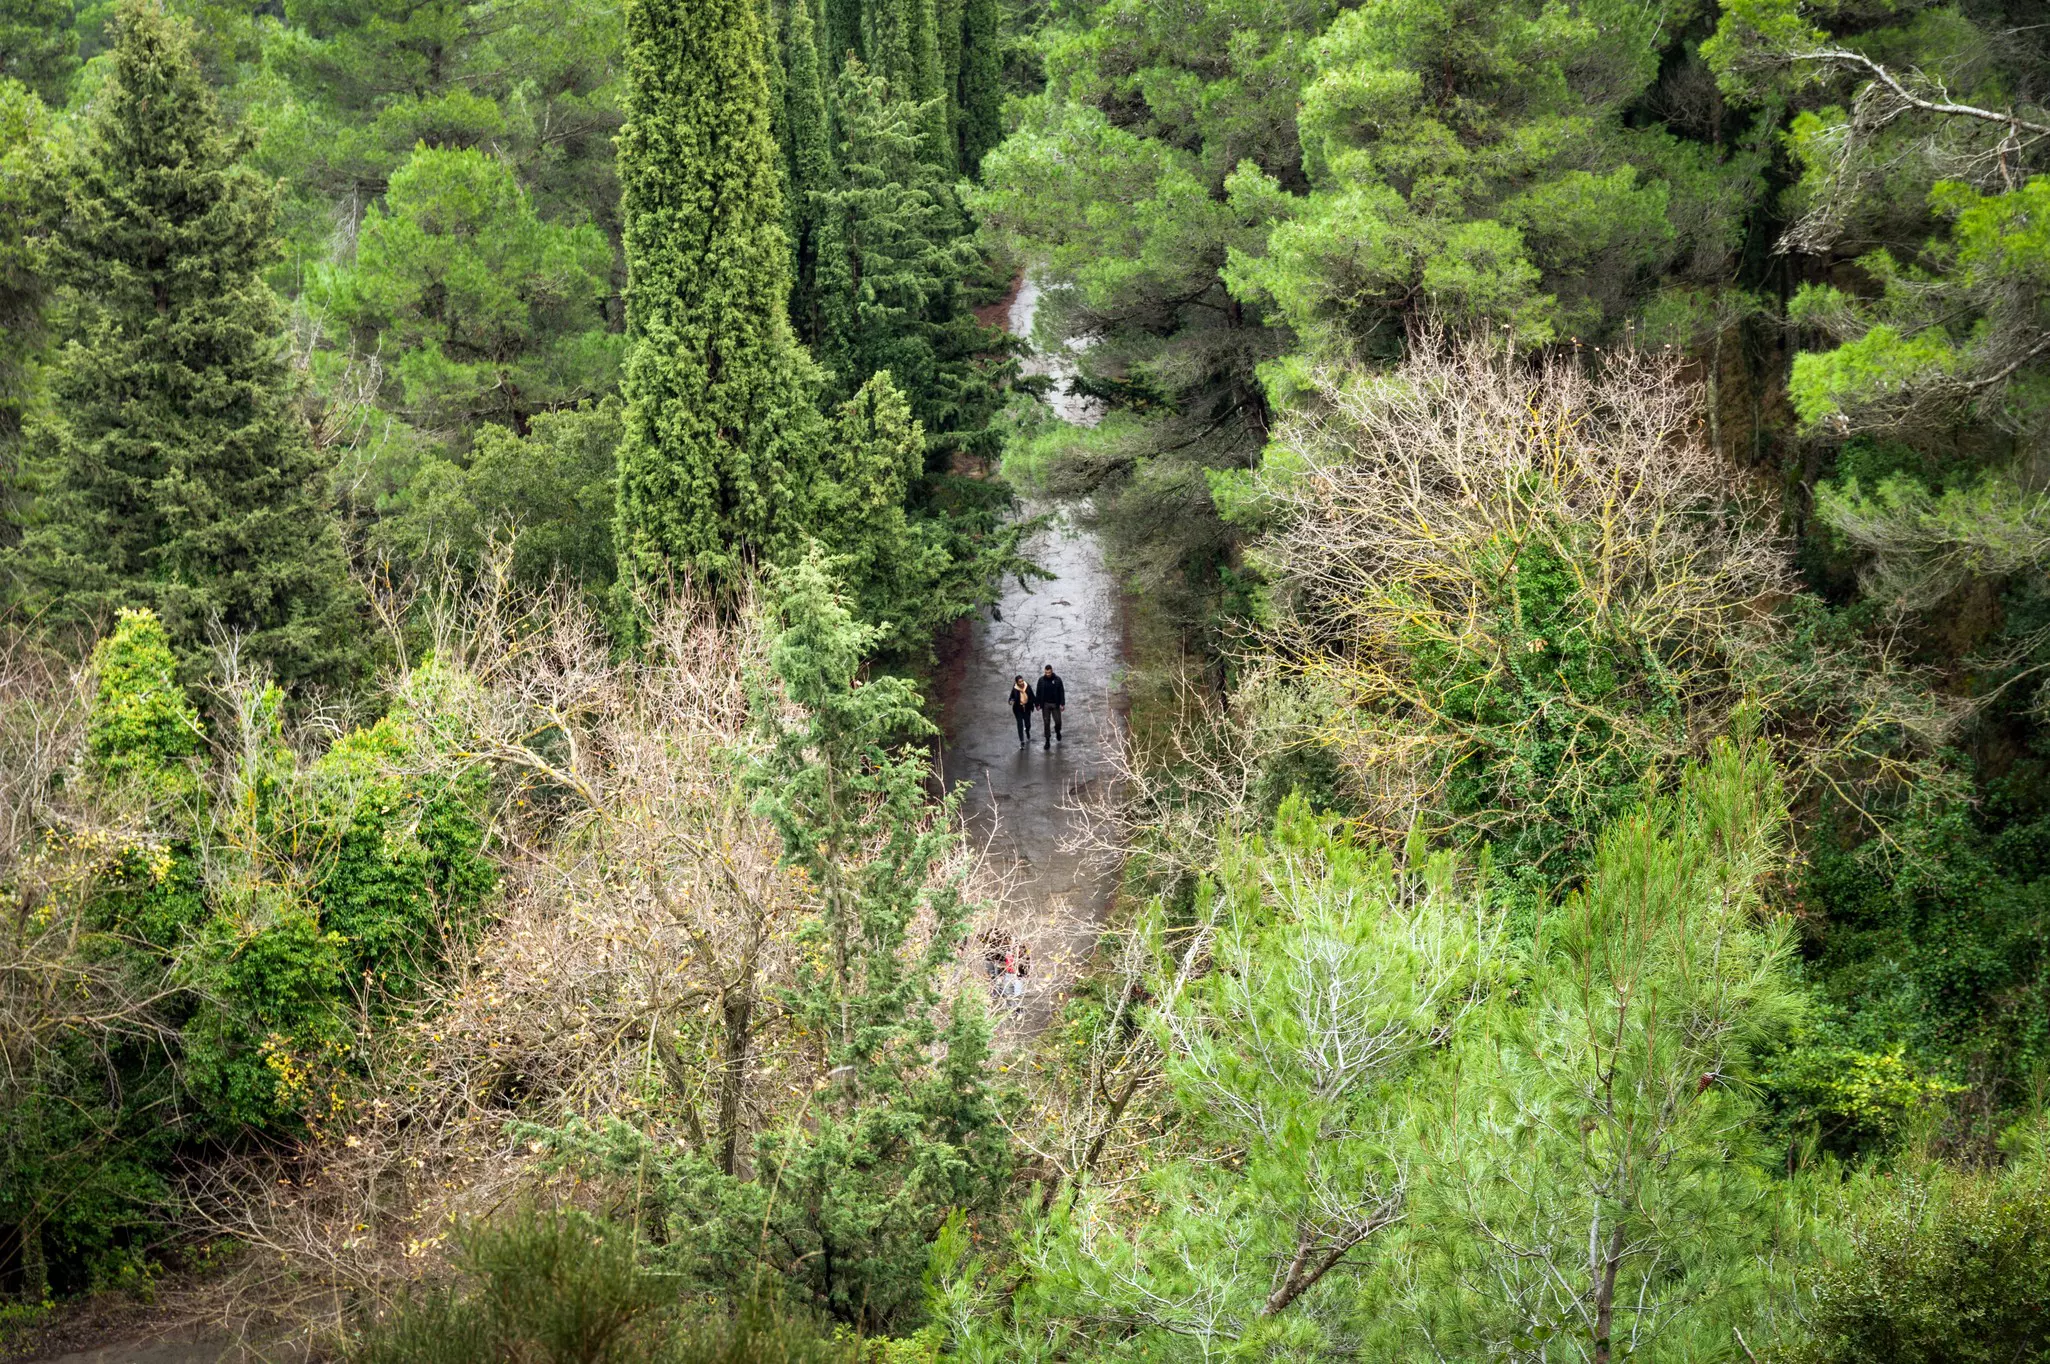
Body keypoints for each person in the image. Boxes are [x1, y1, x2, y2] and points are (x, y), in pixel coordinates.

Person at [1035, 664, 1066, 748]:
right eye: (1046, 672)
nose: (1047, 674)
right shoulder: (1041, 680)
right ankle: (1047, 740)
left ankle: (1057, 731)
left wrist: (1062, 703)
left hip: (1055, 704)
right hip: (1045, 704)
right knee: (1046, 722)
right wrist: (1037, 704)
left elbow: (1061, 692)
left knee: (1058, 721)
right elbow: (1038, 692)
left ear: (1052, 671)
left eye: (1049, 672)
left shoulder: (1057, 680)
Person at [1009, 674, 1035, 746]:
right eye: (1020, 682)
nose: (1021, 683)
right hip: (1018, 709)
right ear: (1017, 683)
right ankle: (1022, 740)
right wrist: (1011, 701)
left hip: (1027, 708)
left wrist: (1036, 704)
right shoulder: (1015, 688)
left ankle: (1027, 731)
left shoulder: (1027, 686)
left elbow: (1032, 696)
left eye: (1022, 681)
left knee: (1028, 724)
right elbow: (1011, 696)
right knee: (1020, 724)